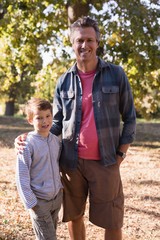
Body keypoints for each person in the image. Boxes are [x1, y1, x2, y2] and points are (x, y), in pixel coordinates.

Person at [15, 16, 136, 240]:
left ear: (98, 42)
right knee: (74, 216)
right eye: (79, 40)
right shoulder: (63, 81)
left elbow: (130, 117)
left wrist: (121, 152)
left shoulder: (116, 74)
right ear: (72, 44)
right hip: (70, 163)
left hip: (107, 160)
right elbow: (57, 122)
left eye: (90, 40)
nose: (84, 45)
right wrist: (32, 137)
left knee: (112, 219)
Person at [16, 98, 63, 240]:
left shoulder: (56, 141)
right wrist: (31, 203)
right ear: (30, 120)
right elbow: (22, 176)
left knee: (49, 234)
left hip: (56, 198)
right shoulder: (26, 145)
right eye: (39, 118)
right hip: (39, 201)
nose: (45, 121)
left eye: (48, 116)